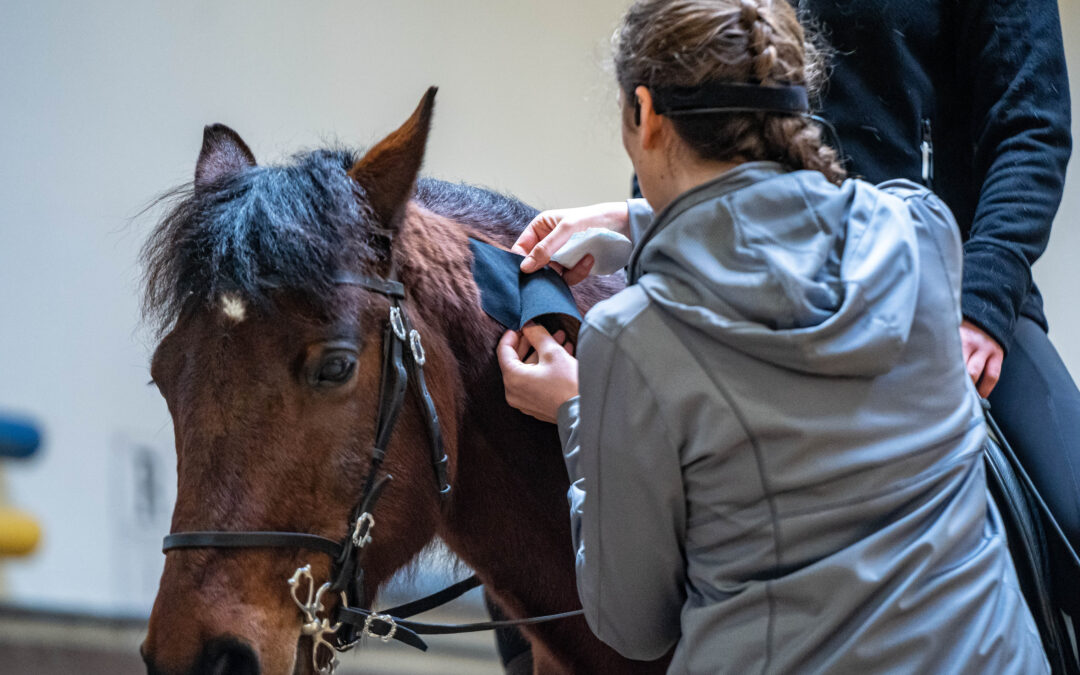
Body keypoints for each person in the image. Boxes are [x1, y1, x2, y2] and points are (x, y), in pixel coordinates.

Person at [496, 0, 1048, 671]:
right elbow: (788, 208)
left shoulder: (627, 341)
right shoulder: (923, 225)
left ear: (643, 114)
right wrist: (639, 221)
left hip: (984, 304)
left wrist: (580, 411)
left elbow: (633, 627)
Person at [788, 0, 1080, 597]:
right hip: (771, 297)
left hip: (953, 295)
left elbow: (1032, 126)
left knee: (1074, 516)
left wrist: (982, 304)